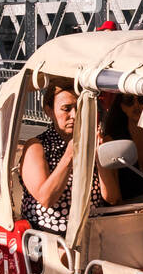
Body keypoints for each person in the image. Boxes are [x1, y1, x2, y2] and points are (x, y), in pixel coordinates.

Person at [21, 80, 121, 234]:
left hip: (92, 231)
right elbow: (46, 198)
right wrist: (69, 156)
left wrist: (99, 156)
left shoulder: (99, 141)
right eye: (66, 109)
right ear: (49, 111)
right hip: (49, 236)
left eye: (80, 108)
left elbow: (112, 198)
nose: (74, 115)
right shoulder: (36, 147)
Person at [100, 91, 143, 202]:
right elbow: (113, 200)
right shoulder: (111, 141)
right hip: (128, 214)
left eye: (142, 99)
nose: (136, 105)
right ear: (122, 107)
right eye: (129, 101)